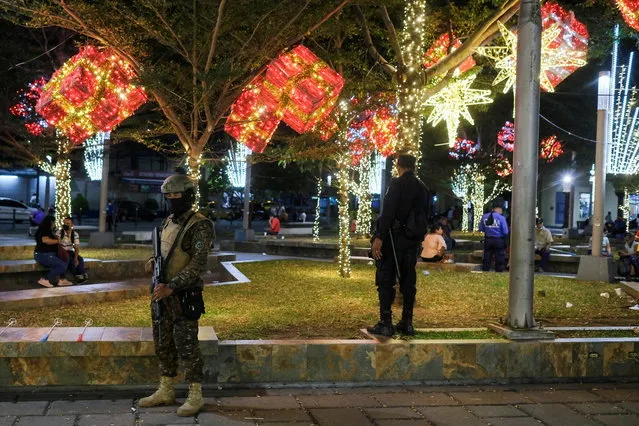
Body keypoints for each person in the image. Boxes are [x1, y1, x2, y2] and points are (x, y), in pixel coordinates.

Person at [139, 174, 214, 417]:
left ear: (188, 196)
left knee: (187, 346)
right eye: (168, 196)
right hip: (161, 293)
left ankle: (195, 394)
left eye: (176, 195)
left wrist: (172, 285)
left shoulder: (200, 225)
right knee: (163, 343)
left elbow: (197, 265)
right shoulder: (168, 221)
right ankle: (166, 388)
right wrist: (153, 261)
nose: (171, 200)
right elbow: (164, 251)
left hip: (183, 294)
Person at [369, 154, 427, 337]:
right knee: (408, 280)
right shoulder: (423, 188)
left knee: (386, 279)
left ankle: (386, 322)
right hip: (413, 240)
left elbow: (388, 212)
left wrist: (379, 237)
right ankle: (407, 322)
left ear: (398, 165)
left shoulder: (397, 184)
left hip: (394, 239)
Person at [33, 216, 72, 288]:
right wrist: (58, 241)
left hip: (48, 254)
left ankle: (62, 280)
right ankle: (45, 279)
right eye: (54, 222)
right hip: (43, 255)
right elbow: (45, 240)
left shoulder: (49, 230)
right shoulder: (44, 230)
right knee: (62, 265)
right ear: (51, 222)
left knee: (65, 259)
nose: (55, 223)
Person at [478, 202, 509, 272]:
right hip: (498, 240)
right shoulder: (501, 218)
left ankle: (485, 269)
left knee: (487, 255)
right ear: (499, 209)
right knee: (499, 256)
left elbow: (481, 229)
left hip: (488, 239)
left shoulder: (484, 217)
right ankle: (498, 270)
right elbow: (505, 231)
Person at [57, 217, 88, 283]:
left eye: (68, 223)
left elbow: (76, 247)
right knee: (69, 259)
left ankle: (81, 274)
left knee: (80, 259)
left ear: (72, 225)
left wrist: (76, 258)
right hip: (61, 252)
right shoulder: (59, 233)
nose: (65, 225)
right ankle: (77, 275)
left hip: (70, 251)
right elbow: (57, 244)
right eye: (64, 223)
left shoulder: (75, 234)